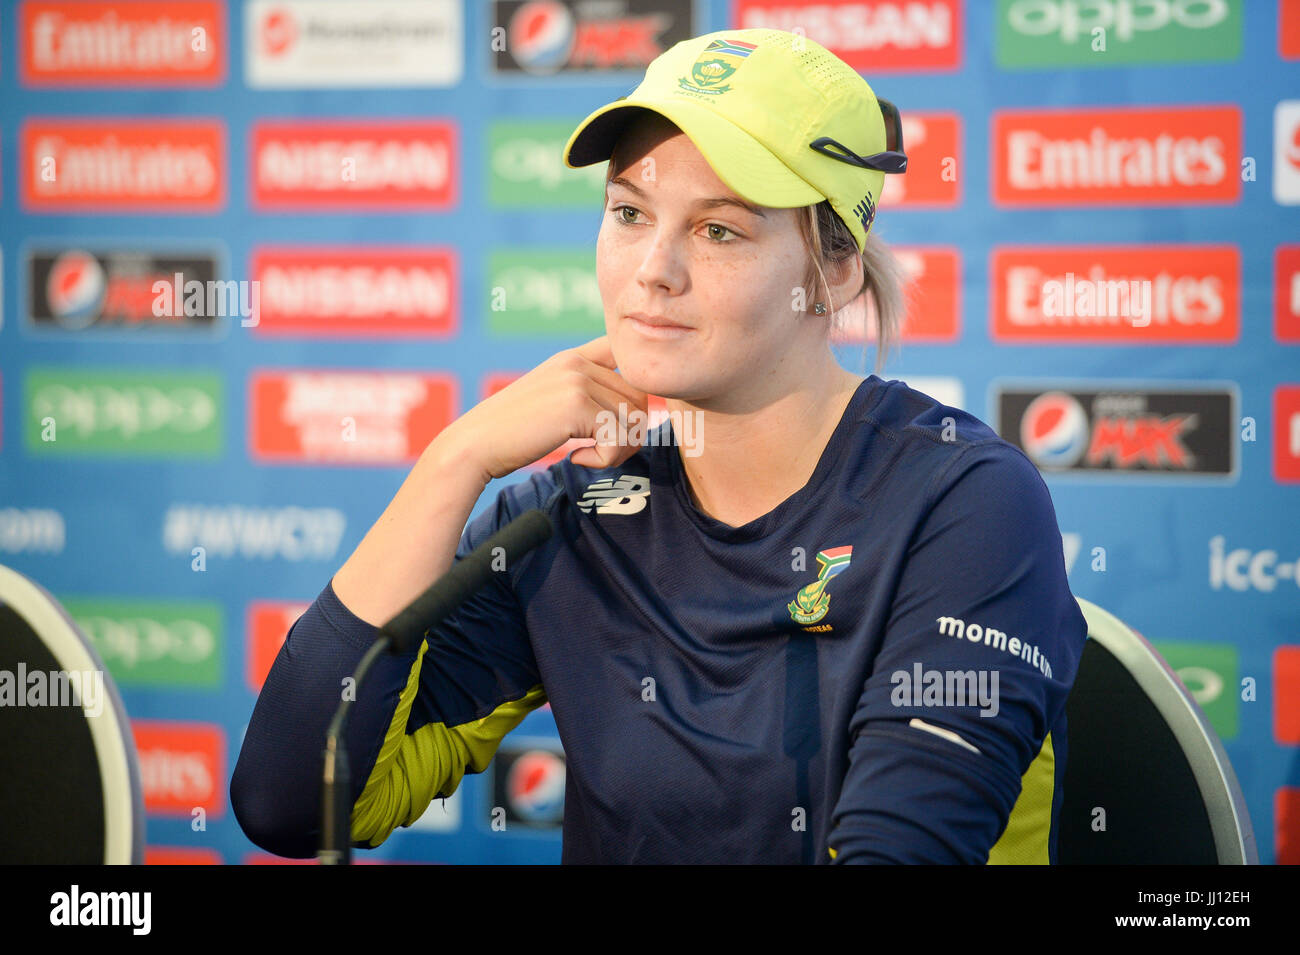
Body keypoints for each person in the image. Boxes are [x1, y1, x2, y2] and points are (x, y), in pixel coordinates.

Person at [230, 27, 1087, 864]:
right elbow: (293, 804)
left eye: (720, 230)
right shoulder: (573, 517)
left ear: (834, 270)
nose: (654, 270)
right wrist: (454, 461)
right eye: (630, 212)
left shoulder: (965, 500)